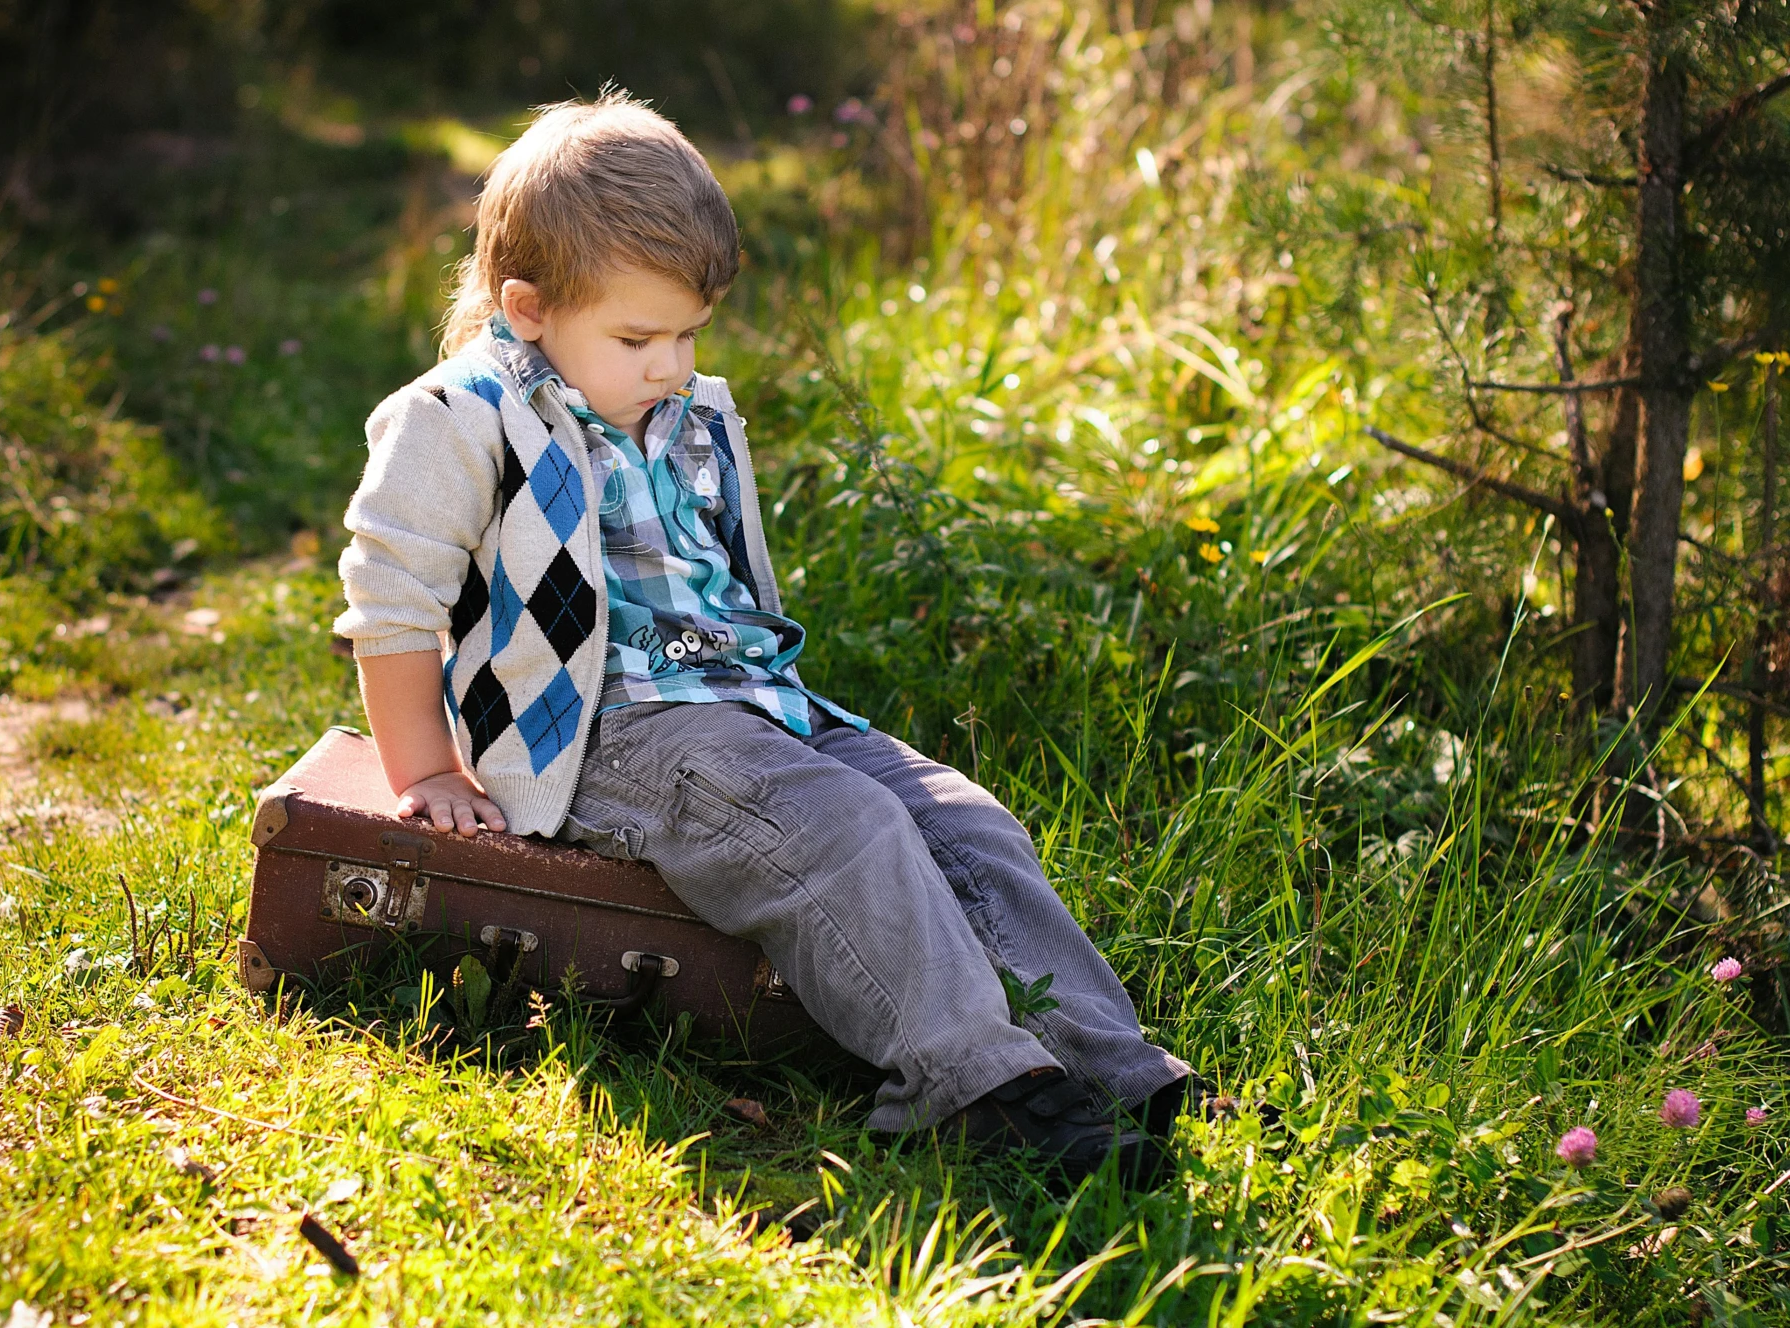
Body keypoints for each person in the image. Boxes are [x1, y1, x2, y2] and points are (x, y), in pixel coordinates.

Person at [334, 91, 1193, 1181]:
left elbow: (725, 590)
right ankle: (976, 1084)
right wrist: (428, 769)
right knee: (842, 828)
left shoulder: (688, 413)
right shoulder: (458, 415)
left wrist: (783, 714)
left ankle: (1110, 1068)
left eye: (689, 332)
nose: (670, 364)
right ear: (528, 305)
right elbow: (392, 596)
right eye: (639, 336)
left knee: (966, 824)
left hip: (752, 707)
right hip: (608, 735)